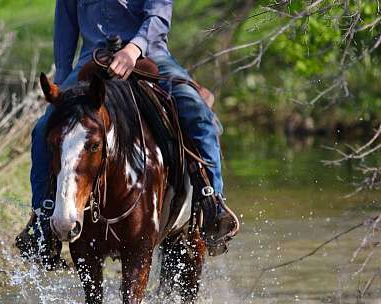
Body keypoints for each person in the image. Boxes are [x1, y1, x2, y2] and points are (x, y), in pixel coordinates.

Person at [22, 0, 237, 267]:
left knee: (198, 115)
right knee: (44, 129)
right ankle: (42, 219)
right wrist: (64, 81)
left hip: (150, 56)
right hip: (92, 60)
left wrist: (133, 49)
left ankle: (212, 202)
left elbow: (159, 14)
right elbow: (65, 29)